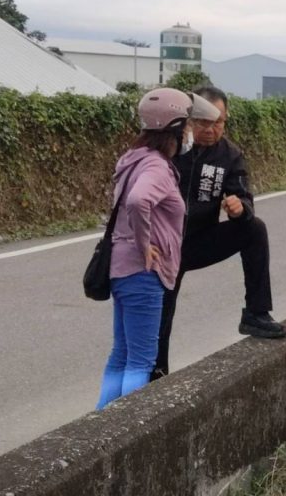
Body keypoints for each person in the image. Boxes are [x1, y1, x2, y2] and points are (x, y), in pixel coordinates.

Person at [152, 85, 286, 381]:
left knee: (254, 229)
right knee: (160, 316)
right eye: (204, 122)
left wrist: (240, 208)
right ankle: (155, 376)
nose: (212, 129)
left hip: (200, 240)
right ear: (188, 119)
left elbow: (244, 197)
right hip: (162, 247)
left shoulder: (229, 155)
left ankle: (256, 313)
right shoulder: (168, 148)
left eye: (219, 122)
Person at [96, 88, 193, 409]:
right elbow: (139, 201)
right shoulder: (156, 167)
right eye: (187, 125)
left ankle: (99, 426)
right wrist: (146, 245)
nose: (190, 132)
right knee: (140, 361)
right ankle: (121, 435)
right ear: (175, 128)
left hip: (120, 270)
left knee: (121, 355)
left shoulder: (133, 159)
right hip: (143, 272)